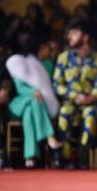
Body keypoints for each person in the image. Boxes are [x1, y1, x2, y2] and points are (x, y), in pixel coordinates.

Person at [53, 20, 97, 169]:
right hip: (71, 101)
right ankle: (65, 158)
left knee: (90, 116)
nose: (69, 36)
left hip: (90, 102)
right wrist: (73, 95)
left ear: (85, 37)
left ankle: (82, 157)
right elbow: (57, 84)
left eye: (74, 33)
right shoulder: (63, 58)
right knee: (64, 113)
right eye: (69, 33)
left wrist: (89, 98)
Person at [6, 37, 62, 168]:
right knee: (34, 100)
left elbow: (49, 87)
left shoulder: (48, 65)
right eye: (48, 48)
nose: (50, 51)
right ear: (41, 48)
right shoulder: (21, 63)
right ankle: (49, 137)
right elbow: (20, 88)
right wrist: (32, 92)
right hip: (21, 102)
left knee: (30, 111)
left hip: (39, 104)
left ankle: (30, 157)